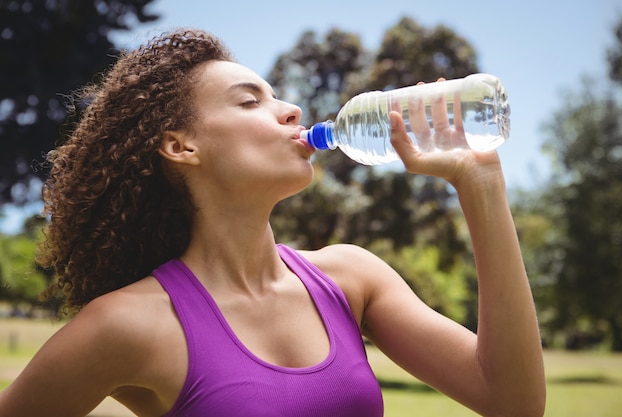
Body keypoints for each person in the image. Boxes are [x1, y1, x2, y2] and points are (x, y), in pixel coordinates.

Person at [0, 29, 546, 417]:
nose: (290, 111)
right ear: (180, 145)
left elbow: (512, 402)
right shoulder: (125, 324)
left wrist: (481, 184)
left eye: (279, 97)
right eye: (249, 101)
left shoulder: (350, 278)